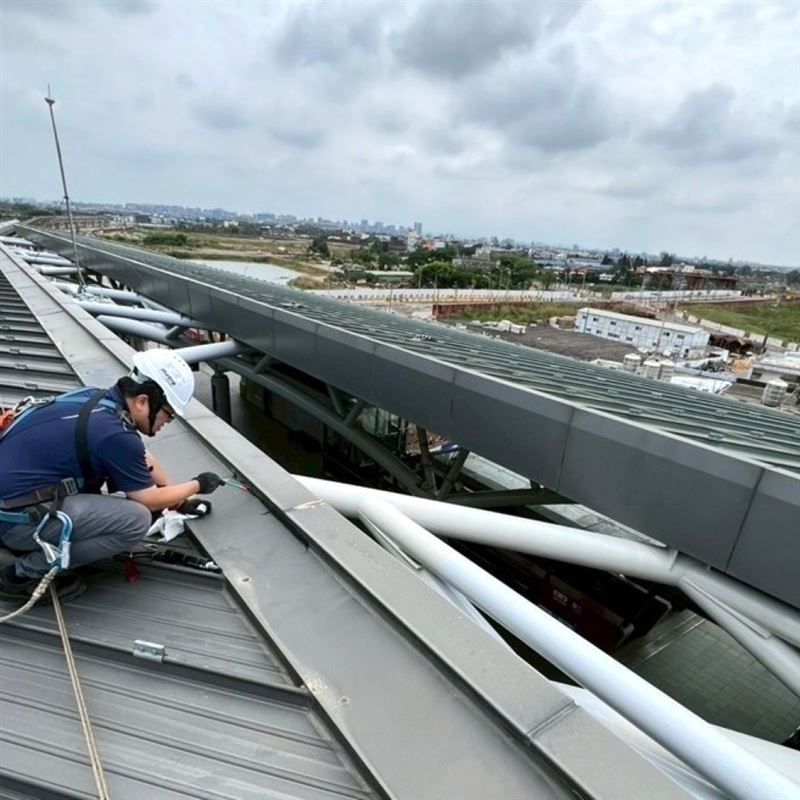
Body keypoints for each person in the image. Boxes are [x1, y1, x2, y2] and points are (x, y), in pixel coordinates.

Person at [0, 349, 223, 602]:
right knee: (136, 520)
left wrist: (177, 500)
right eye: (167, 415)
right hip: (11, 524)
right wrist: (198, 484)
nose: (165, 424)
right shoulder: (115, 434)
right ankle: (25, 573)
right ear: (142, 402)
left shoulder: (95, 399)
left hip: (9, 504)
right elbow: (147, 500)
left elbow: (143, 459)